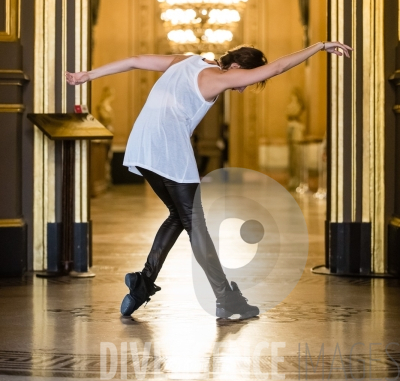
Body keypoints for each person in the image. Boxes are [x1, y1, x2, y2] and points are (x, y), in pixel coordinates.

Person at [65, 40, 352, 320]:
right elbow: (277, 68)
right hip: (168, 149)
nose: (241, 88)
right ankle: (225, 298)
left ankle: (143, 283)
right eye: (245, 80)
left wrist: (87, 76)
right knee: (195, 222)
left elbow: (136, 60)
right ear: (236, 66)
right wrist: (319, 47)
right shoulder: (217, 77)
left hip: (142, 146)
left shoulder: (186, 60)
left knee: (180, 216)